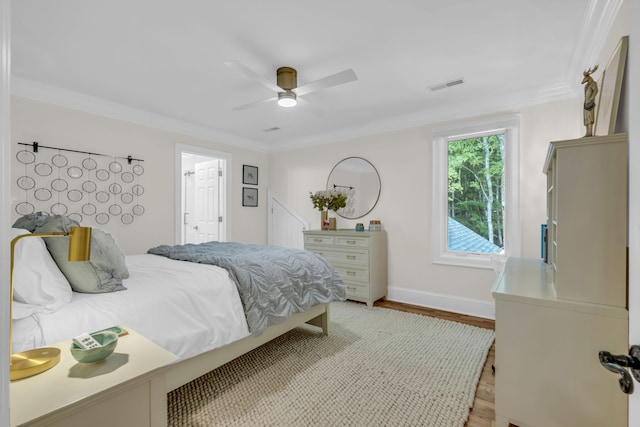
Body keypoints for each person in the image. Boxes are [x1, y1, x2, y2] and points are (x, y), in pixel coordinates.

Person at [582, 65, 599, 137]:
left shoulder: (593, 84)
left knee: (590, 117)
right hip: (586, 102)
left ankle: (590, 132)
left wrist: (592, 98)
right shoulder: (587, 86)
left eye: (585, 78)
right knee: (586, 117)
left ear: (588, 78)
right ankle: (587, 132)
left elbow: (596, 90)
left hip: (589, 102)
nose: (583, 80)